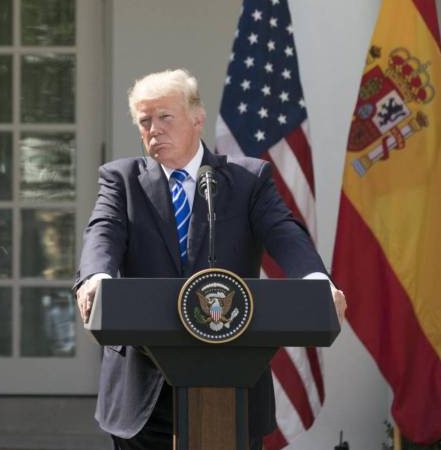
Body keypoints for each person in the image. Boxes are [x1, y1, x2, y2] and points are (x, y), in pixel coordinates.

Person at [74, 68, 346, 450]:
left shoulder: (247, 180)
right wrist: (96, 277)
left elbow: (285, 232)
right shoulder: (122, 180)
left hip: (231, 380)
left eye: (165, 117)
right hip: (143, 389)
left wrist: (317, 282)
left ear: (197, 119)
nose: (154, 129)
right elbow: (102, 232)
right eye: (145, 121)